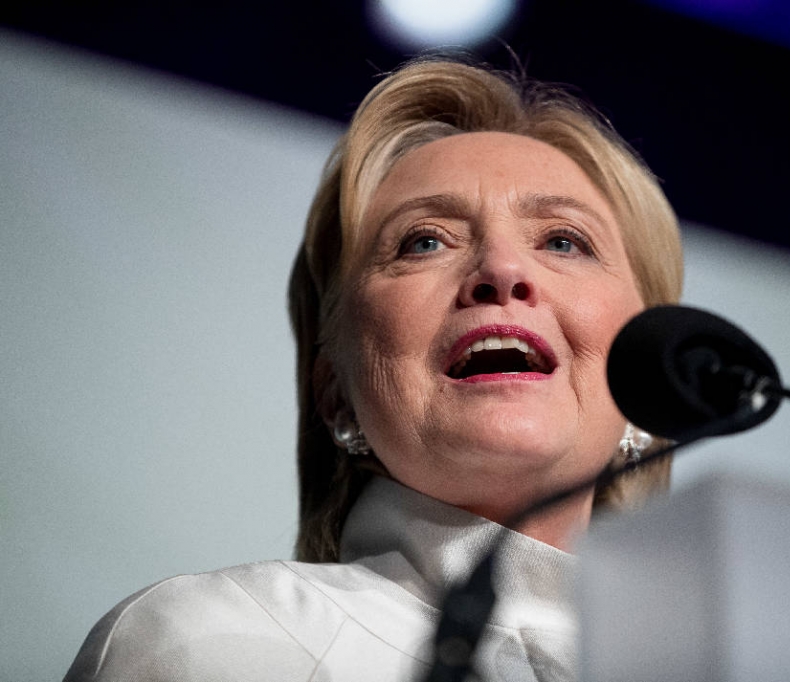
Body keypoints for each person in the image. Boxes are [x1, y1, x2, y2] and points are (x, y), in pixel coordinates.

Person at [64, 56, 684, 682]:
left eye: (562, 241)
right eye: (424, 240)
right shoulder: (211, 642)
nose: (501, 270)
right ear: (335, 394)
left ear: (650, 384)